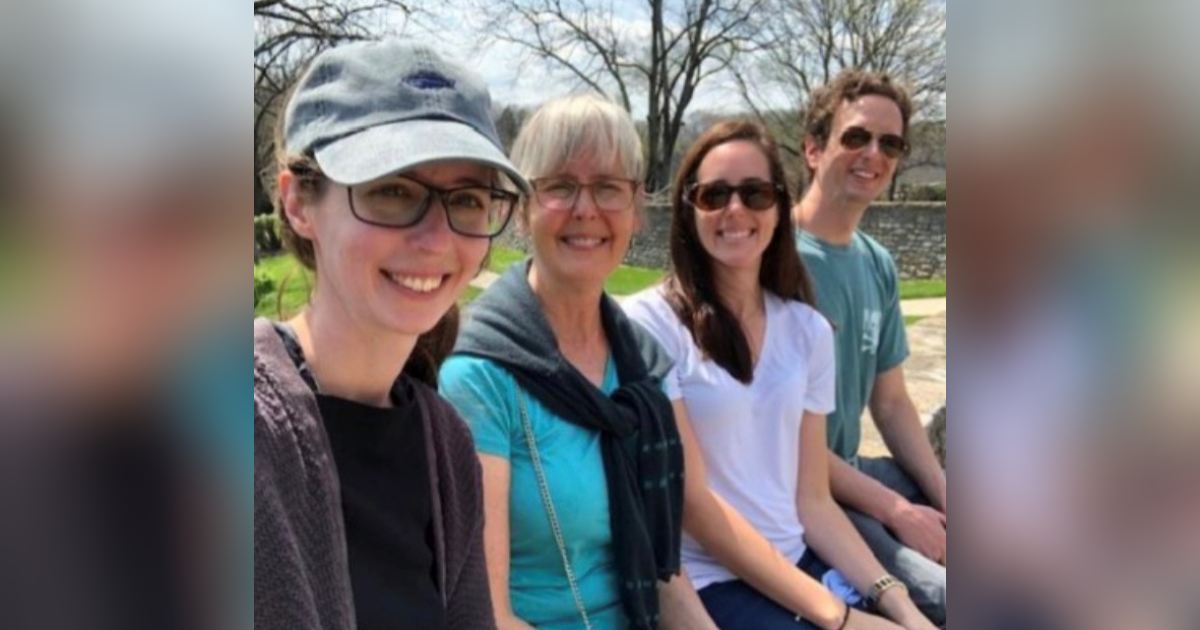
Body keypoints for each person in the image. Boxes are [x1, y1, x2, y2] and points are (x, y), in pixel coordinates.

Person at [254, 39, 530, 630]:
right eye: (392, 190)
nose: (436, 239)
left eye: (467, 200)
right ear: (299, 203)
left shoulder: (447, 448)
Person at [623, 120, 936, 630]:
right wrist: (839, 618)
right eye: (714, 195)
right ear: (688, 208)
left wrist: (896, 603)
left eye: (755, 193)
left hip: (802, 566)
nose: (735, 209)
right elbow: (695, 507)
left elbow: (813, 501)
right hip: (715, 582)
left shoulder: (808, 330)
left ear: (778, 207)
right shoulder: (651, 324)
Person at [439, 94, 718, 630]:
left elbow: (664, 573)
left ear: (636, 210)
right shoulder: (479, 377)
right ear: (523, 209)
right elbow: (488, 616)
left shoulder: (642, 366)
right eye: (560, 185)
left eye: (609, 187)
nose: (586, 209)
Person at [792, 69, 946, 626]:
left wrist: (945, 494)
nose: (873, 154)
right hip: (806, 491)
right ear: (813, 149)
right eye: (856, 136)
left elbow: (892, 402)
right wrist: (899, 511)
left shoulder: (877, 263)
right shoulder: (774, 259)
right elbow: (781, 440)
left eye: (890, 143)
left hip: (855, 471)